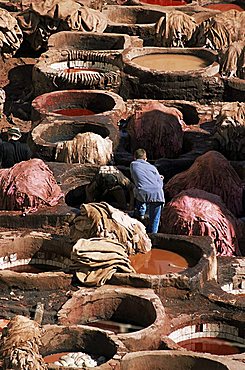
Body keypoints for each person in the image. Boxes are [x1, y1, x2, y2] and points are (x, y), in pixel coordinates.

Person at [130, 148, 165, 233]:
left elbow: (137, 179)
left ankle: (140, 215)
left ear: (134, 157)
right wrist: (160, 179)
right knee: (155, 220)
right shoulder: (152, 167)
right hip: (158, 194)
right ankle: (153, 236)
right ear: (146, 159)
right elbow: (159, 183)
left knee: (139, 190)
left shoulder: (133, 164)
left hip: (142, 193)